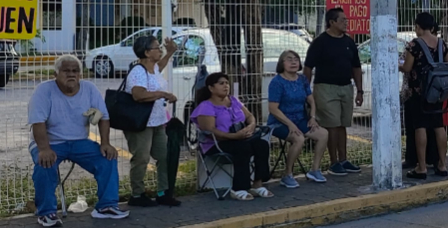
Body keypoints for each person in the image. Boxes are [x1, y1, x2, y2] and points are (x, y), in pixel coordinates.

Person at [28, 55, 121, 227]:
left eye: (75, 71)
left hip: (79, 141)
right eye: (66, 71)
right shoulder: (43, 91)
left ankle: (106, 206)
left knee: (108, 158)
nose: (71, 74)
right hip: (50, 142)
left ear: (80, 74)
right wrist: (44, 149)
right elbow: (37, 122)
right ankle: (46, 213)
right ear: (55, 74)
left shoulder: (89, 89)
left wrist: (105, 143)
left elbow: (104, 117)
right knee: (45, 163)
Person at [191, 72, 273, 201]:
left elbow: (250, 116)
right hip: (217, 143)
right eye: (221, 83)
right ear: (211, 88)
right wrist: (234, 136)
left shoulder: (233, 100)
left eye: (227, 83)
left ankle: (258, 183)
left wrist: (250, 126)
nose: (226, 86)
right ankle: (239, 188)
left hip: (240, 137)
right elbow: (210, 130)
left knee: (261, 144)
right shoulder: (205, 107)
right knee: (243, 148)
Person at [304, 7, 364, 176]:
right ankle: (333, 162)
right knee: (332, 124)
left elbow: (356, 67)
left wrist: (360, 90)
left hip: (345, 87)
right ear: (332, 22)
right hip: (325, 88)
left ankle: (344, 159)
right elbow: (308, 67)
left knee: (343, 124)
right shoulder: (320, 42)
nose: (346, 23)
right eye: (342, 20)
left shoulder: (349, 42)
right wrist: (305, 90)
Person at [124, 34, 179, 207]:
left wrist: (169, 53)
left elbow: (160, 66)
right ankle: (137, 194)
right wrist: (162, 94)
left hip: (157, 121)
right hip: (141, 123)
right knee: (141, 158)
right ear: (147, 53)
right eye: (157, 48)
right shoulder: (138, 72)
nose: (160, 50)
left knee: (163, 156)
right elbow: (138, 95)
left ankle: (163, 192)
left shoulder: (152, 68)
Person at [400, 11, 448, 179]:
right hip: (437, 92)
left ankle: (421, 167)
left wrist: (398, 65)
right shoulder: (441, 44)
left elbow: (408, 68)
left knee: (420, 127)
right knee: (439, 126)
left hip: (418, 93)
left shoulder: (414, 45)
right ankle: (442, 165)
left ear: (418, 26)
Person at [268, 50, 329, 189]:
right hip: (280, 122)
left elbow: (311, 100)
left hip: (300, 119)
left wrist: (312, 118)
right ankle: (287, 174)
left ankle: (315, 170)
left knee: (323, 134)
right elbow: (273, 109)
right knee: (299, 139)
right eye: (289, 59)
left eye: (296, 59)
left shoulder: (302, 80)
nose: (294, 62)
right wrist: (290, 125)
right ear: (282, 63)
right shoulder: (277, 82)